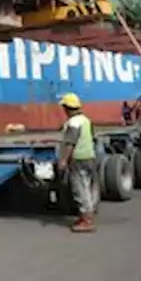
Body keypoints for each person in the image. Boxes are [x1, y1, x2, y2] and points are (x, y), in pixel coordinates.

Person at [55, 92, 98, 233]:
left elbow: (70, 143)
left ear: (67, 108)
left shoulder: (73, 123)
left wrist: (63, 160)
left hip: (78, 159)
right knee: (87, 187)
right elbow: (92, 137)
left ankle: (87, 220)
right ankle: (85, 216)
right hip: (90, 157)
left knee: (80, 190)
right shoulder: (86, 120)